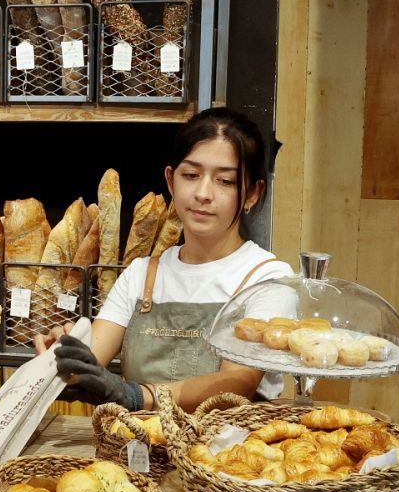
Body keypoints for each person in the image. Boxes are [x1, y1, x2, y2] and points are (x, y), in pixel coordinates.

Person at [37, 108, 295, 411]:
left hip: (231, 453)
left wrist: (136, 395)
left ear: (252, 193)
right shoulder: (142, 274)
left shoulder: (268, 279)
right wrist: (66, 360)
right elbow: (92, 358)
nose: (203, 193)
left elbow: (237, 382)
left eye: (225, 181)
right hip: (137, 453)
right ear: (171, 182)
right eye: (191, 175)